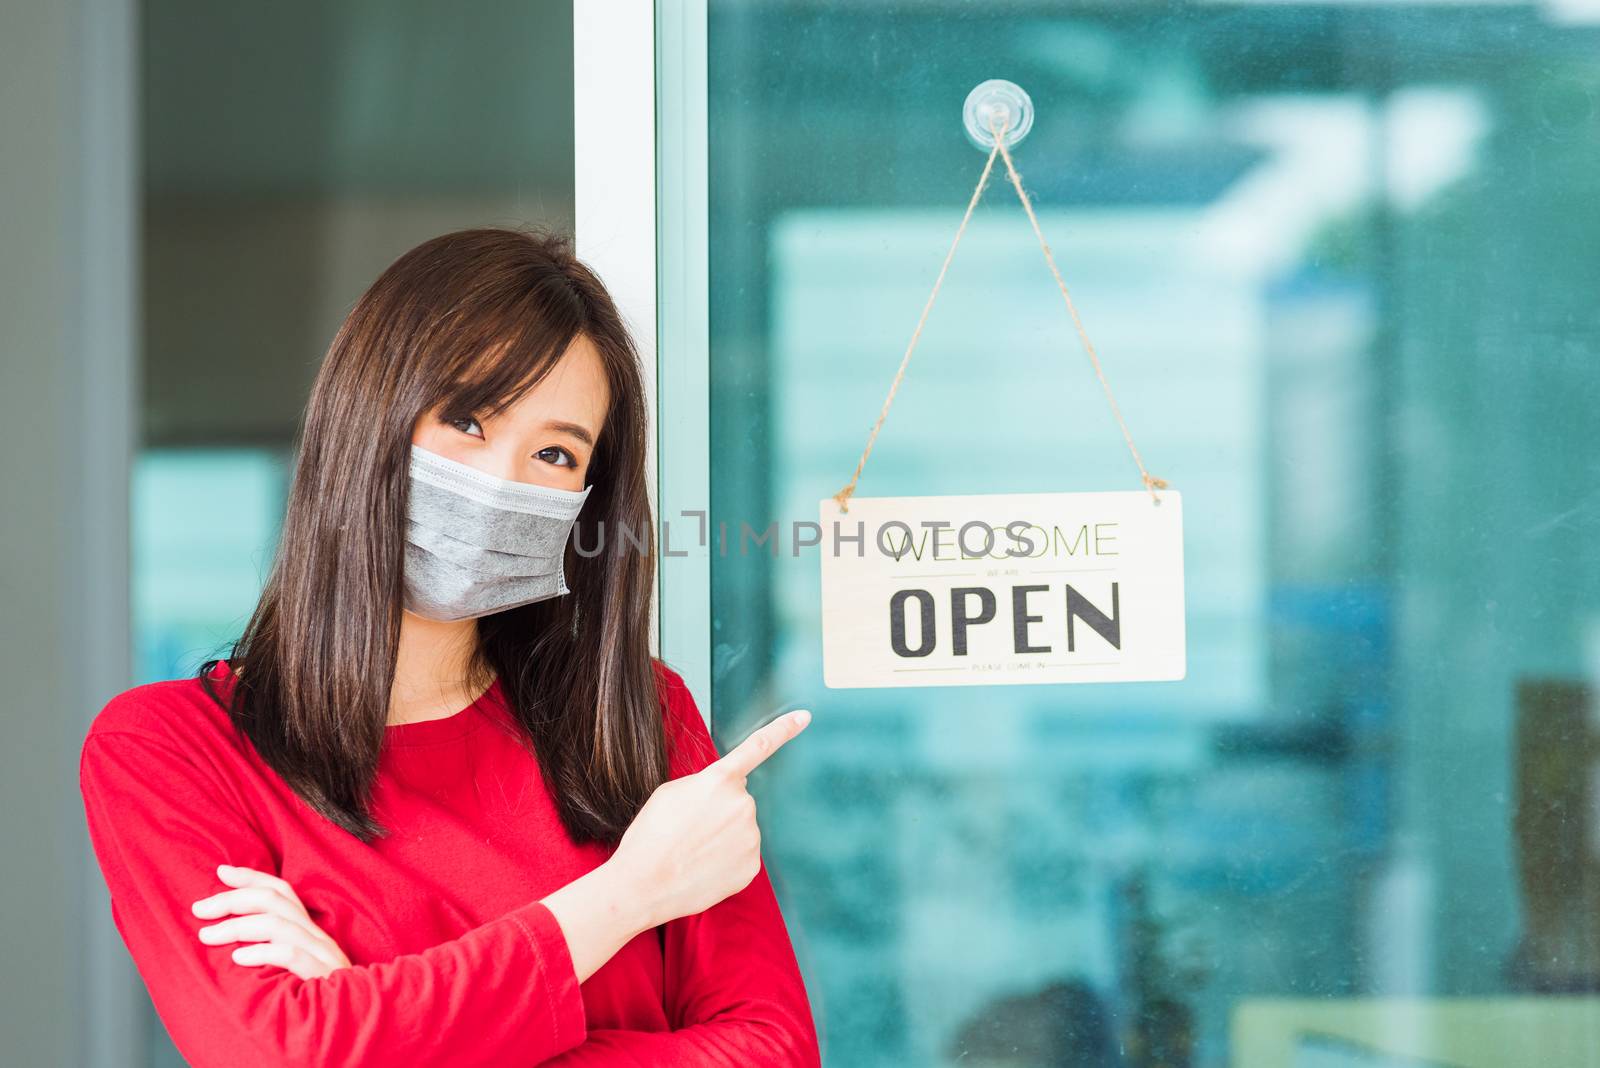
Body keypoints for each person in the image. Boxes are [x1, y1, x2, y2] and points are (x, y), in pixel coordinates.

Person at [77, 226, 821, 1066]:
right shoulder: (168, 752)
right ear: (366, 417)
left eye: (553, 452)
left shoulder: (636, 717)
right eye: (467, 419)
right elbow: (278, 1053)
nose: (502, 479)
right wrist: (627, 894)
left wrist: (380, 1017)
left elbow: (772, 1051)